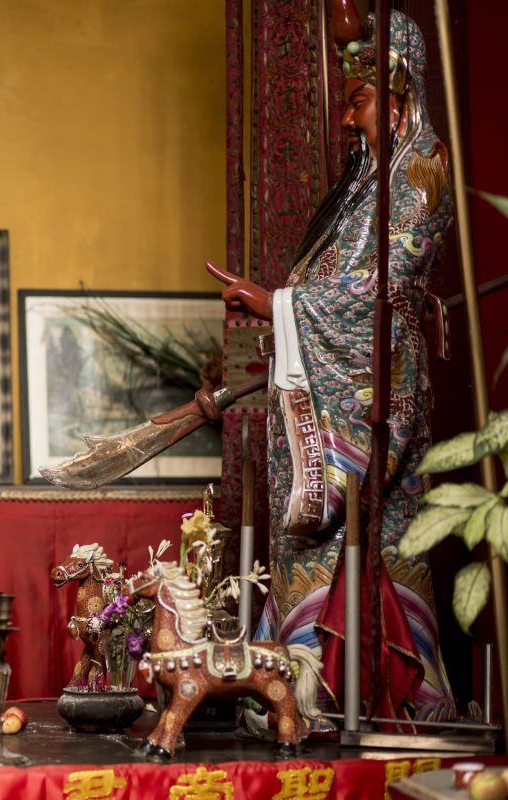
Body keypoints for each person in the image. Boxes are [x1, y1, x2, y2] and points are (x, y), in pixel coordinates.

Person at [212, 3, 456, 724]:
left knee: (364, 532)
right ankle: (300, 690)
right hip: (333, 368)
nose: (348, 122)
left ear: (400, 90)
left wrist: (278, 305)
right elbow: (333, 281)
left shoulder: (418, 171)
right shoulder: (364, 180)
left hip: (374, 382)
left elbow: (382, 288)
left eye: (359, 102)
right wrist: (279, 308)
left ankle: (376, 697)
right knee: (305, 541)